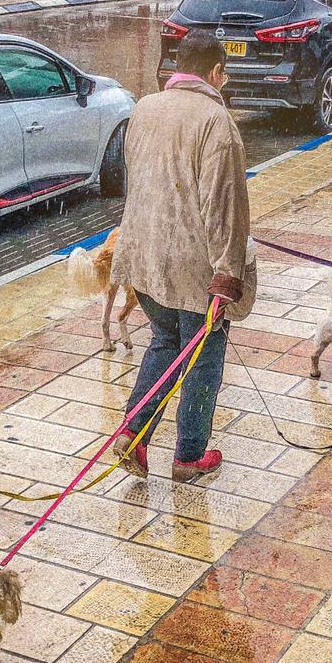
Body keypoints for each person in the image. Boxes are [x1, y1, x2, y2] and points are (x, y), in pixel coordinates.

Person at [108, 28, 256, 482]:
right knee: (203, 357)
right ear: (216, 72)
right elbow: (224, 206)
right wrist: (227, 277)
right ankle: (189, 456)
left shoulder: (145, 107)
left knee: (166, 342)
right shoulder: (216, 123)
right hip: (195, 269)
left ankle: (134, 433)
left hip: (143, 256)